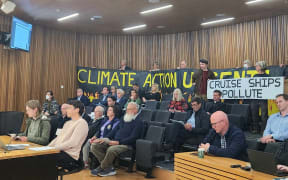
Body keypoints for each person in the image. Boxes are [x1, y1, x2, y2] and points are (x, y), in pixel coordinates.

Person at [90, 102, 143, 177]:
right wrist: (105, 139)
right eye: (126, 109)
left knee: (111, 149)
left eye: (129, 109)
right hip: (114, 141)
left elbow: (133, 138)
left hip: (126, 144)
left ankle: (101, 167)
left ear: (135, 110)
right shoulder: (124, 118)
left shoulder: (139, 122)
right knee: (95, 145)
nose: (126, 111)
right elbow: (114, 131)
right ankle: (109, 168)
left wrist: (118, 142)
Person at [48, 100, 88, 170]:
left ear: (77, 110)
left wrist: (54, 148)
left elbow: (73, 143)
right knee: (39, 156)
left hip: (70, 156)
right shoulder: (67, 123)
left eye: (69, 108)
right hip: (60, 151)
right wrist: (47, 148)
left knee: (43, 159)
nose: (66, 110)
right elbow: (58, 138)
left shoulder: (82, 123)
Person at [250, 61, 269, 133]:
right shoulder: (255, 76)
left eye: (257, 66)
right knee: (254, 114)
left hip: (263, 99)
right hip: (255, 98)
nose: (256, 67)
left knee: (264, 115)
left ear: (261, 67)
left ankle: (263, 130)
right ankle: (256, 129)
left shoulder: (267, 76)